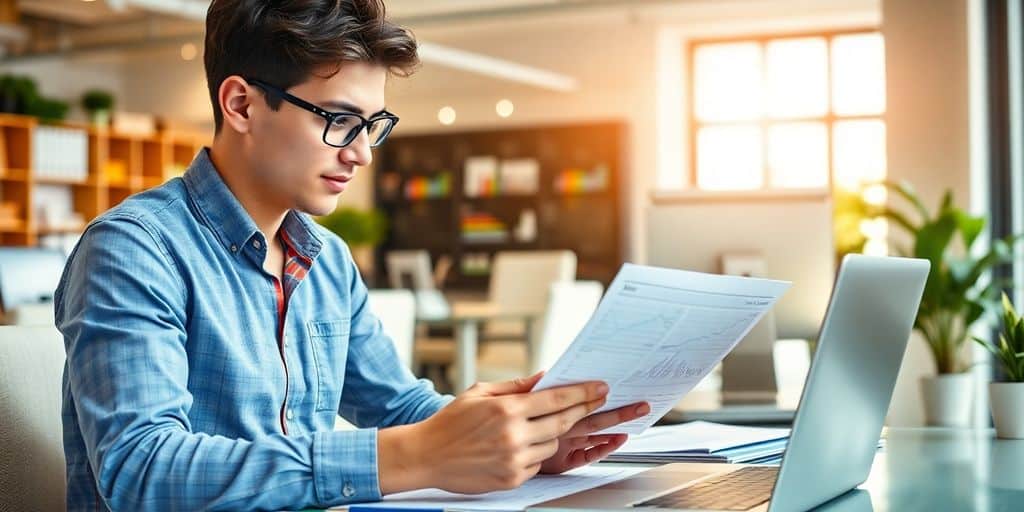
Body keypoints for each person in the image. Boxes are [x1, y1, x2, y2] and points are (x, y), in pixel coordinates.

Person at [56, 1, 650, 510]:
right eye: (341, 121)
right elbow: (141, 471)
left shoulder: (327, 262)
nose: (363, 154)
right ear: (240, 105)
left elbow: (398, 407)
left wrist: (521, 441)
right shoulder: (134, 248)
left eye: (373, 125)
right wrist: (415, 454)